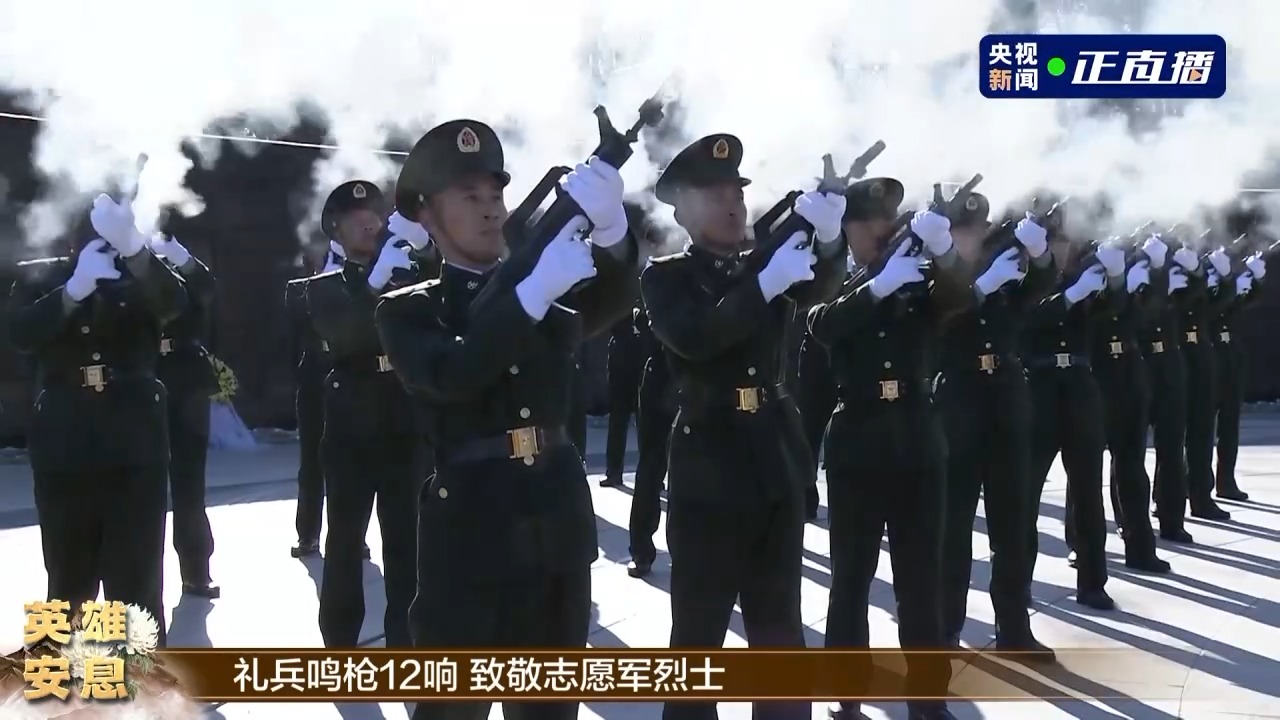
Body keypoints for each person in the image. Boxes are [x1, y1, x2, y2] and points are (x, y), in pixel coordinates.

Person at [375, 119, 638, 720]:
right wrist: (530, 294)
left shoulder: (544, 290)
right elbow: (453, 373)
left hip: (554, 521)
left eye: (495, 194)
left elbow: (612, 297)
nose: (490, 208)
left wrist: (612, 230)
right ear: (427, 215)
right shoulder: (408, 311)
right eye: (469, 197)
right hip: (468, 533)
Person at [640, 133, 847, 720]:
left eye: (736, 192)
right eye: (715, 195)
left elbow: (822, 285)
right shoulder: (666, 277)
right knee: (698, 639)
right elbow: (697, 337)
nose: (732, 204)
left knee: (780, 634)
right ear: (682, 212)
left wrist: (829, 235)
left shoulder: (766, 263)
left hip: (774, 460)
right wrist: (763, 283)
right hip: (708, 468)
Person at [807, 177, 965, 720]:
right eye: (866, 220)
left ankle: (928, 697)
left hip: (917, 434)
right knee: (851, 576)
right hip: (858, 435)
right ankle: (847, 690)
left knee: (921, 579)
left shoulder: (917, 276)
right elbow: (821, 323)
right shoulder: (833, 273)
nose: (878, 228)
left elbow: (961, 300)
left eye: (885, 219)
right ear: (847, 228)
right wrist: (875, 288)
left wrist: (943, 251)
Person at [7, 195, 187, 646]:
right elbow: (21, 333)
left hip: (134, 444)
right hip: (65, 443)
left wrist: (135, 250)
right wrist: (73, 290)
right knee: (68, 578)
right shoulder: (41, 277)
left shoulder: (143, 273)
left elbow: (177, 302)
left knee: (137, 582)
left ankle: (145, 684)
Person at [307, 180, 431, 648]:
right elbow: (345, 336)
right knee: (344, 541)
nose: (370, 222)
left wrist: (423, 254)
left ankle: (407, 643)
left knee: (407, 542)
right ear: (335, 229)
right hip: (351, 430)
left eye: (375, 214)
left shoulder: (407, 274)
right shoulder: (324, 287)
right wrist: (374, 283)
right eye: (356, 217)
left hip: (404, 422)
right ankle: (339, 643)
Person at [937, 197, 1059, 661]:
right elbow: (940, 320)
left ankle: (1014, 626)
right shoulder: (937, 274)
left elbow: (1040, 288)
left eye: (980, 227)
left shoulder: (1002, 269)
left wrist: (1039, 254)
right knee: (954, 525)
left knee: (1014, 521)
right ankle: (946, 626)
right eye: (965, 228)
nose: (974, 235)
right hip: (960, 397)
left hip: (1006, 397)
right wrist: (981, 288)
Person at [1023, 238, 1127, 610]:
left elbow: (1117, 312)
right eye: (1055, 240)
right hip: (1039, 388)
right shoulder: (1024, 278)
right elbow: (1025, 320)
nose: (1061, 248)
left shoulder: (1085, 276)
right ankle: (1017, 586)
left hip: (1081, 388)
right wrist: (1068, 298)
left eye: (1066, 240)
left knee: (1087, 493)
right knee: (1024, 496)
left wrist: (1117, 278)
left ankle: (1093, 582)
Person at [1090, 237, 1171, 573]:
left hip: (1129, 370)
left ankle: (1140, 547)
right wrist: (1116, 285)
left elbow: (1150, 317)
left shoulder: (1132, 263)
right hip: (1096, 372)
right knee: (1085, 471)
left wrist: (1152, 278)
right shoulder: (1086, 263)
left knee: (1133, 466)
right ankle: (1082, 546)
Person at [151, 234, 220, 598]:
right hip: (142, 373)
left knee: (190, 483)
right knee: (143, 486)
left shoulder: (178, 265)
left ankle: (196, 570)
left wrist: (178, 254)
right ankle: (142, 580)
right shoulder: (125, 264)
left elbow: (206, 289)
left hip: (186, 377)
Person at [284, 243, 339, 559]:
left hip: (349, 376)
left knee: (349, 460)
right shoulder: (299, 289)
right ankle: (307, 535)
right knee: (311, 461)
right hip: (314, 380)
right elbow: (295, 333)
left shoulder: (355, 279)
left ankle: (352, 536)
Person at [1141, 240, 1198, 543]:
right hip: (1137, 361)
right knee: (1130, 450)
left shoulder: (1169, 261)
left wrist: (1196, 272)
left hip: (1169, 361)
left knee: (1173, 445)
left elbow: (1199, 303)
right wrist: (1158, 280)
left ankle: (1172, 518)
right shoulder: (1129, 262)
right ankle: (1130, 521)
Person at [1179, 246, 1236, 521]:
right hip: (1173, 354)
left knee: (1201, 431)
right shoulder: (1163, 266)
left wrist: (1225, 280)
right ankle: (1166, 497)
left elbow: (1215, 308)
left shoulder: (1198, 267)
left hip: (1200, 356)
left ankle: (1200, 495)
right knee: (1171, 437)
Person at [627, 300, 677, 578]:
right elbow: (641, 319)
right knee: (651, 467)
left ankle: (686, 549)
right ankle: (641, 549)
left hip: (697, 376)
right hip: (664, 375)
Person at [1213, 253, 1268, 499]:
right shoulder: (1203, 272)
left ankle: (1226, 481)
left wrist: (1257, 280)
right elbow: (1206, 309)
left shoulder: (1229, 270)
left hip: (1231, 353)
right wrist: (1228, 287)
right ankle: (1195, 483)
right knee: (1199, 427)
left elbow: (1244, 302)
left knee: (1229, 423)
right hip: (1208, 352)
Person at [602, 308, 644, 487]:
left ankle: (646, 474)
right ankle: (615, 471)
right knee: (620, 422)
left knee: (642, 424)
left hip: (636, 356)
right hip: (628, 355)